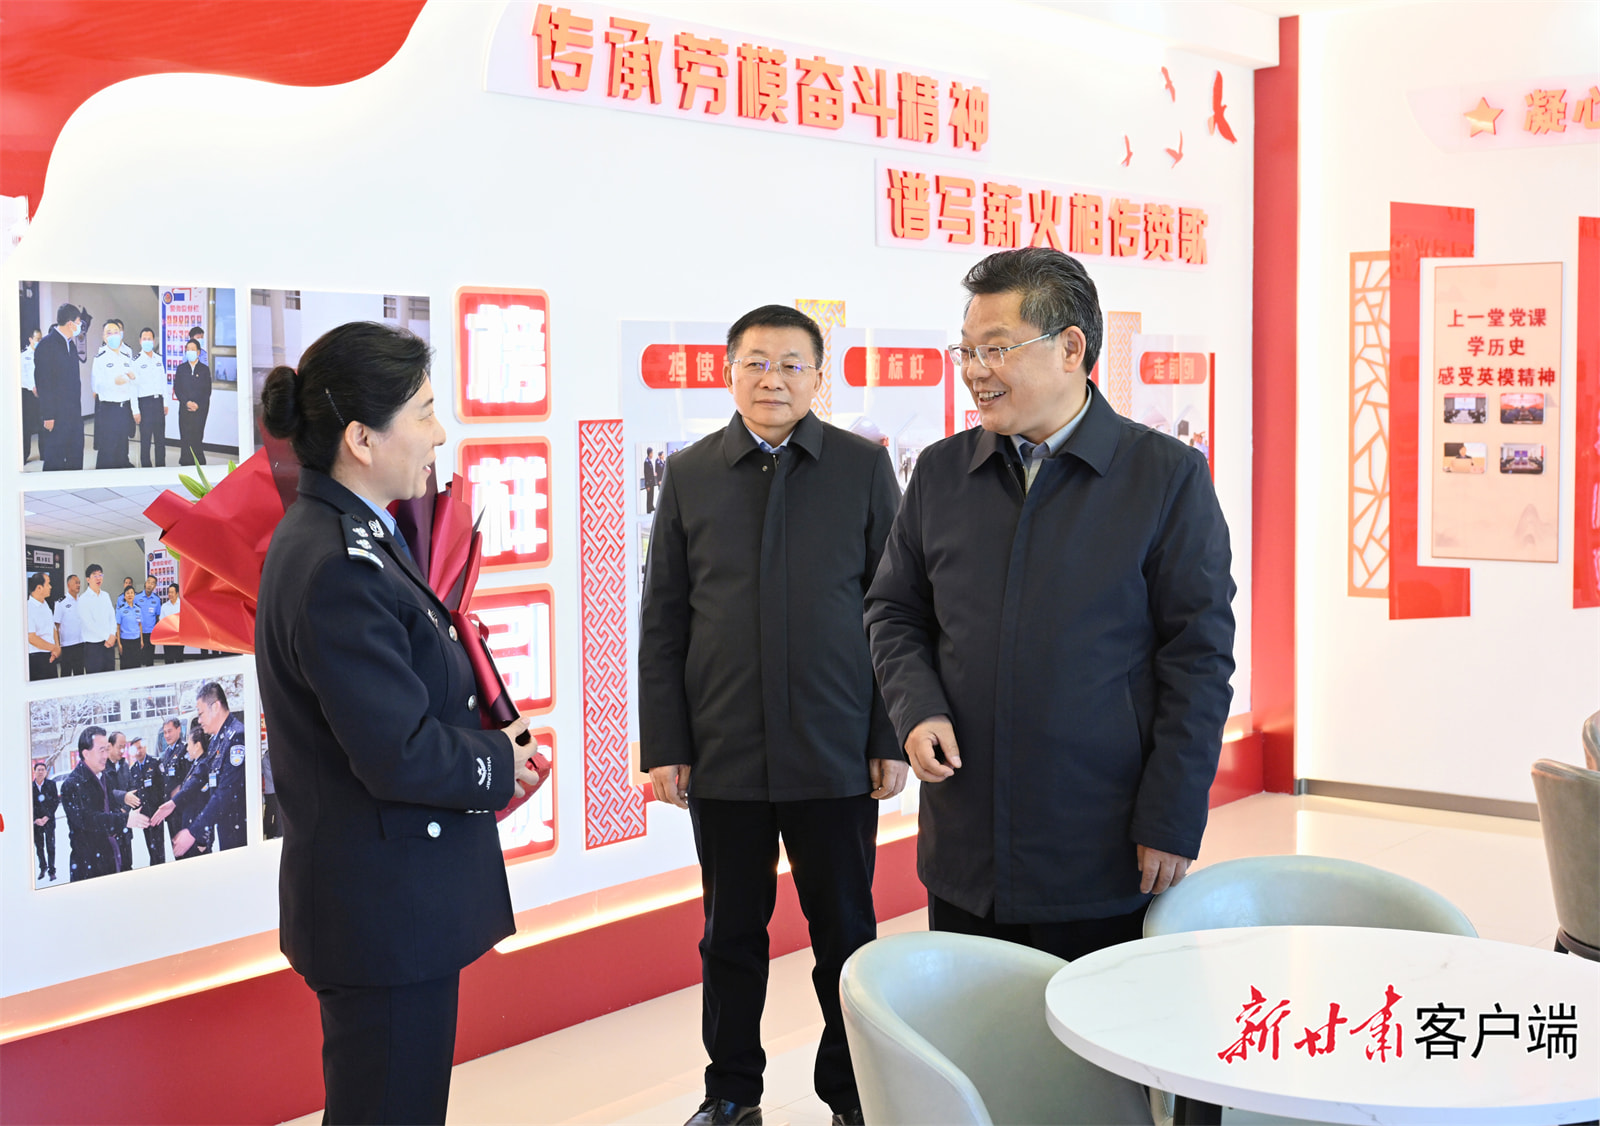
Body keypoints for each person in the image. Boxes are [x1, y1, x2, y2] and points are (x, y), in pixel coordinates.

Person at [865, 248, 1236, 964]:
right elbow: (894, 610)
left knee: (1095, 1029)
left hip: (1100, 845)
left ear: (1071, 348)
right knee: (973, 1023)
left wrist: (1172, 815)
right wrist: (916, 708)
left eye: (997, 348)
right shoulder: (943, 472)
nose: (975, 371)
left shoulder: (1165, 476)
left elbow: (1198, 659)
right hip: (967, 843)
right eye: (966, 350)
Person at [255, 320, 545, 1124]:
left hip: (385, 903)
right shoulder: (338, 564)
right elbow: (398, 751)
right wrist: (498, 761)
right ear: (361, 438)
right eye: (422, 413)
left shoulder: (352, 536)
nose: (438, 434)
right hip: (381, 913)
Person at [639, 305, 905, 1126]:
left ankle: (853, 1093)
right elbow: (664, 618)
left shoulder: (863, 467)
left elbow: (897, 611)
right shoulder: (690, 473)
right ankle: (731, 1092)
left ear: (820, 378)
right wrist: (666, 743)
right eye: (756, 362)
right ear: (728, 372)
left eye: (792, 364)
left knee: (845, 934)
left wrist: (888, 734)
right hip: (725, 750)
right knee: (729, 936)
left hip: (835, 747)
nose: (773, 380)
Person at [157, 682, 248, 858]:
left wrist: (193, 832)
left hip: (239, 830)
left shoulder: (236, 737)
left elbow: (225, 793)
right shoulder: (216, 740)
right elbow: (200, 775)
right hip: (226, 829)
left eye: (200, 714)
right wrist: (174, 802)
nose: (199, 720)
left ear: (215, 707)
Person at [60, 726, 148, 881]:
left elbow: (111, 806)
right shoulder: (72, 785)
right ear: (86, 753)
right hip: (89, 867)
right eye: (101, 750)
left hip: (111, 858)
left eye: (107, 750)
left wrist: (123, 810)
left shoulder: (103, 777)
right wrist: (124, 819)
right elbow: (87, 820)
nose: (106, 755)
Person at [35, 303, 86, 471]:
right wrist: (48, 415)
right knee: (55, 459)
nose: (80, 326)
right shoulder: (46, 345)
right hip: (56, 415)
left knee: (75, 456)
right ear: (70, 323)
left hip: (74, 413)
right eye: (78, 322)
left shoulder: (71, 344)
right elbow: (44, 383)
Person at [91, 318, 136, 469]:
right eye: (109, 333)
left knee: (122, 444)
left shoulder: (126, 357)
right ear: (104, 337)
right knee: (108, 447)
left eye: (116, 332)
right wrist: (113, 382)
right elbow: (97, 385)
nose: (113, 335)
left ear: (121, 334)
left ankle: (122, 469)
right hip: (109, 409)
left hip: (124, 407)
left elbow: (133, 382)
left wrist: (133, 378)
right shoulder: (100, 358)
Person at [132, 327, 170, 467]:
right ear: (140, 341)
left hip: (158, 402)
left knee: (160, 439)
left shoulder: (159, 359)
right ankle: (146, 469)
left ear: (154, 341)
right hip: (145, 404)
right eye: (144, 339)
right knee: (146, 440)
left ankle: (161, 467)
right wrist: (135, 410)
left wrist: (165, 402)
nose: (147, 341)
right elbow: (133, 388)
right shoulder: (135, 361)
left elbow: (163, 382)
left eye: (149, 339)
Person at [127, 738, 166, 865]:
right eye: (135, 749)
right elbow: (133, 790)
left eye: (140, 747)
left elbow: (163, 786)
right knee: (150, 846)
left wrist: (162, 808)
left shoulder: (155, 763)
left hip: (156, 812)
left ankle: (160, 869)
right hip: (144, 815)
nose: (138, 751)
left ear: (144, 747)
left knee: (159, 848)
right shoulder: (133, 769)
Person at [155, 718, 192, 855]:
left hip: (182, 809)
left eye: (169, 731)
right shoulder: (166, 754)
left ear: (179, 729)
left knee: (186, 850)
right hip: (171, 812)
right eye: (165, 732)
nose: (167, 735)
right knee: (176, 849)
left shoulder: (185, 750)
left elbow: (190, 778)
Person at [174, 339, 211, 465]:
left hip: (200, 410)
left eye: (193, 349)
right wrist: (187, 403)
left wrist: (197, 405)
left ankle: (199, 463)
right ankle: (185, 461)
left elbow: (207, 391)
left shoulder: (204, 369)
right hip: (185, 408)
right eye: (188, 349)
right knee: (185, 436)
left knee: (197, 436)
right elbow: (177, 389)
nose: (190, 351)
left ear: (198, 352)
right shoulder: (181, 369)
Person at [77, 565, 118, 674]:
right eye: (95, 575)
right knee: (95, 678)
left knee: (110, 676)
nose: (98, 578)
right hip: (93, 647)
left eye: (100, 575)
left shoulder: (106, 595)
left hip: (109, 644)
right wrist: (107, 637)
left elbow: (112, 617)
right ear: (88, 579)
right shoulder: (83, 599)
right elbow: (89, 623)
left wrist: (113, 634)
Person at [26, 572, 59, 681]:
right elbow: (31, 638)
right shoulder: (28, 608)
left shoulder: (45, 605)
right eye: (48, 584)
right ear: (39, 588)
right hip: (37, 658)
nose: (50, 587)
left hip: (50, 655)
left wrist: (57, 647)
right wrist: (54, 648)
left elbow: (53, 628)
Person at [53, 573, 85, 676]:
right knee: (66, 674)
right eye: (76, 583)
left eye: (79, 583)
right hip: (67, 645)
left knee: (79, 673)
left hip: (80, 644)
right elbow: (56, 626)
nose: (78, 585)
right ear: (68, 585)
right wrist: (57, 645)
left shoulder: (82, 601)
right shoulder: (61, 602)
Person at [32, 761, 59, 882]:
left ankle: (52, 871)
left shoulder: (51, 784)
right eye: (39, 770)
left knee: (50, 846)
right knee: (39, 847)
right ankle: (43, 867)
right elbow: (28, 804)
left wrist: (47, 816)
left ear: (46, 772)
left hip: (49, 821)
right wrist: (35, 819)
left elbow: (55, 801)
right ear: (34, 771)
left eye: (43, 770)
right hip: (36, 823)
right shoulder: (30, 787)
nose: (41, 772)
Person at [21, 328, 43, 462]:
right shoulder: (24, 355)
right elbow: (22, 376)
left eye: (41, 339)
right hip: (28, 395)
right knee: (27, 426)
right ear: (30, 340)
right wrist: (32, 387)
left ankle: (44, 454)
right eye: (37, 339)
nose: (39, 341)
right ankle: (24, 455)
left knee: (43, 424)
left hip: (41, 394)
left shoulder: (43, 354)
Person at [134, 575, 162, 667]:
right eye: (148, 582)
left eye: (152, 583)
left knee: (150, 659)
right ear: (145, 583)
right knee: (138, 659)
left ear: (155, 586)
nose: (150, 585)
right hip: (138, 633)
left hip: (151, 633)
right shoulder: (136, 598)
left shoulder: (157, 600)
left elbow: (158, 616)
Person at [115, 585, 144, 669]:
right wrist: (119, 644)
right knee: (126, 665)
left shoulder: (138, 609)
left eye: (132, 593)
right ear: (124, 596)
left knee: (136, 664)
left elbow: (140, 625)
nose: (130, 595)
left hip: (136, 640)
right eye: (127, 593)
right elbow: (117, 627)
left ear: (134, 595)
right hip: (125, 641)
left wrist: (141, 640)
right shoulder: (120, 610)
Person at [158, 582, 183, 663]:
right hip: (168, 637)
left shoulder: (182, 605)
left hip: (179, 636)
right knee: (169, 660)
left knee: (179, 659)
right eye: (169, 592)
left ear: (177, 593)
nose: (170, 594)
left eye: (172, 592)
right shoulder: (164, 606)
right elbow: (162, 621)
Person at [642, 446, 658, 514]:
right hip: (649, 483)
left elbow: (650, 472)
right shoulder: (646, 462)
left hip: (652, 482)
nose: (652, 454)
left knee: (652, 495)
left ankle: (651, 506)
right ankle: (648, 509)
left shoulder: (649, 461)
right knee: (649, 496)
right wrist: (647, 485)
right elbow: (646, 474)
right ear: (650, 453)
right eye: (652, 453)